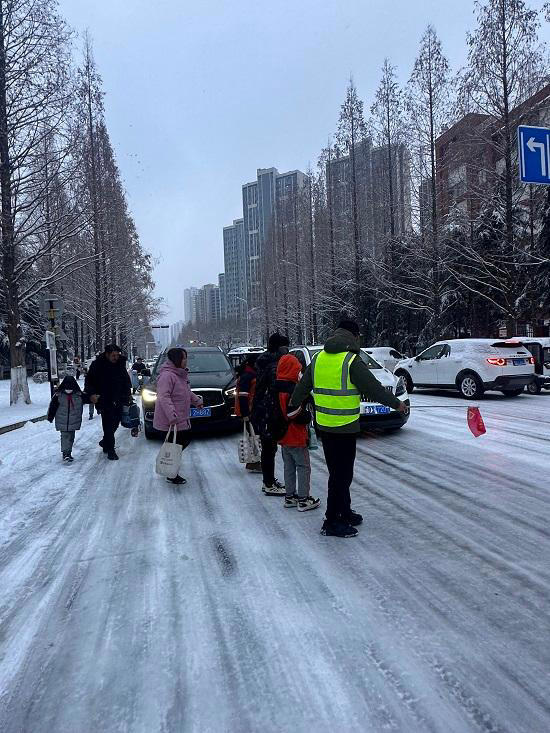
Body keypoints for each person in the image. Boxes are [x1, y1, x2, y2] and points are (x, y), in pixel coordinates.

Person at [290, 319, 408, 538]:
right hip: (344, 428)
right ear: (354, 337)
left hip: (325, 426)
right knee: (341, 475)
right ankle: (332, 521)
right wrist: (398, 404)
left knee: (340, 473)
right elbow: (373, 389)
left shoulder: (318, 358)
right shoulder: (351, 360)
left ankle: (344, 510)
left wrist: (292, 405)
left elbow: (302, 387)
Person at [275, 354, 320, 512]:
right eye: (298, 369)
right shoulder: (293, 389)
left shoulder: (275, 386)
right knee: (303, 466)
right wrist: (307, 416)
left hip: (282, 434)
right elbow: (293, 414)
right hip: (296, 434)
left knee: (288, 466)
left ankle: (290, 496)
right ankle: (303, 499)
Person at [153, 347, 203, 485]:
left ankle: (170, 467)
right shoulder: (167, 376)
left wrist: (196, 401)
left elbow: (186, 392)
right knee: (176, 444)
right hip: (171, 419)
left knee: (180, 442)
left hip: (180, 417)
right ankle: (171, 472)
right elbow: (163, 396)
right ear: (177, 359)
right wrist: (172, 415)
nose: (186, 361)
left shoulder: (179, 374)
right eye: (184, 358)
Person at [251, 333, 289, 496]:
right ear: (279, 347)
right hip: (270, 409)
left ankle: (270, 480)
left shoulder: (263, 360)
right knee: (269, 447)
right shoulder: (274, 364)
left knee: (269, 447)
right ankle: (268, 483)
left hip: (261, 408)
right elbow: (278, 386)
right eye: (285, 346)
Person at [85, 344, 132, 461]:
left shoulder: (120, 364)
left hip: (119, 399)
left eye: (117, 355)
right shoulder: (97, 365)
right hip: (104, 399)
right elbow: (89, 381)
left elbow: (126, 380)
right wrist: (91, 394)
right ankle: (111, 450)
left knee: (116, 423)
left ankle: (105, 442)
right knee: (108, 425)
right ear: (107, 354)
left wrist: (128, 395)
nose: (115, 357)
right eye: (113, 355)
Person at [47, 375, 86, 462]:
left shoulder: (60, 395)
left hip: (67, 420)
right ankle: (66, 453)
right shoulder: (61, 395)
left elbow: (52, 407)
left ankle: (67, 453)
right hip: (67, 420)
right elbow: (53, 406)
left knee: (67, 436)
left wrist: (50, 416)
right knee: (68, 436)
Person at [235, 354, 261, 473]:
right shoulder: (248, 376)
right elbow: (243, 396)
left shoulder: (249, 373)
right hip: (249, 411)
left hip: (250, 410)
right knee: (253, 436)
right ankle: (254, 462)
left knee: (253, 436)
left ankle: (253, 462)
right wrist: (245, 414)